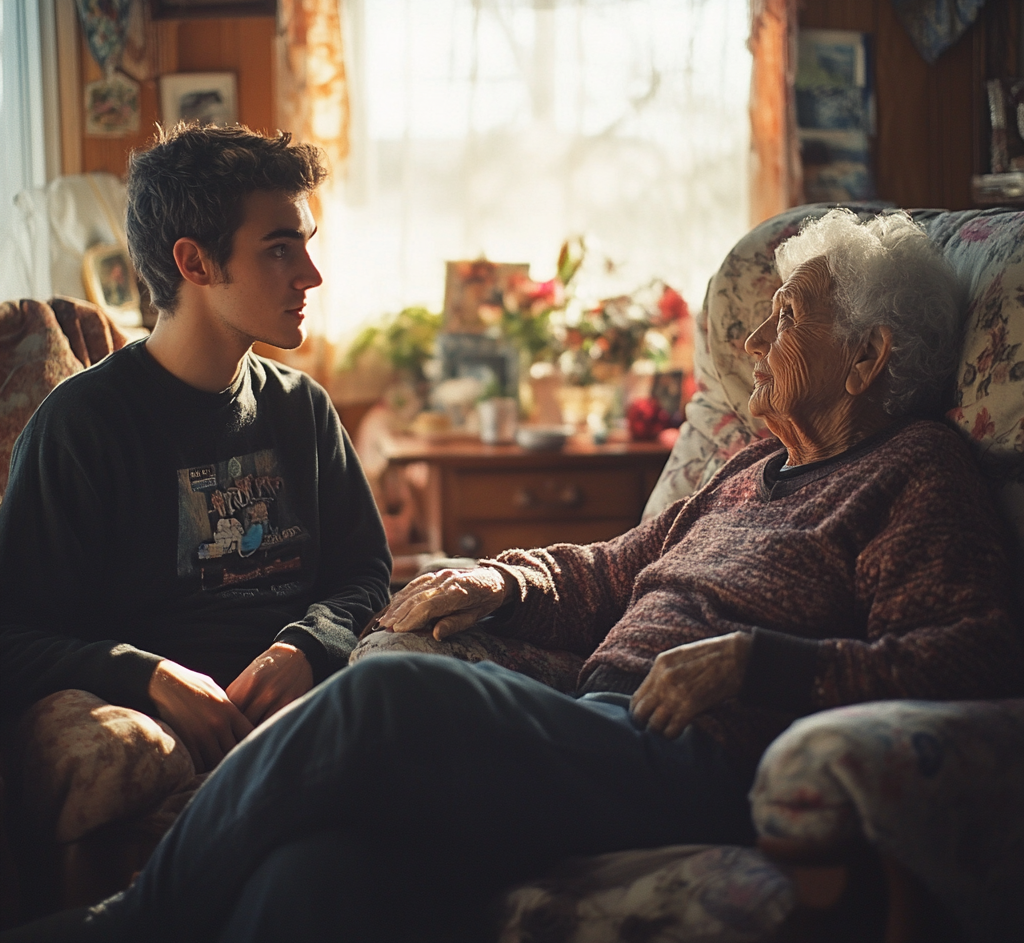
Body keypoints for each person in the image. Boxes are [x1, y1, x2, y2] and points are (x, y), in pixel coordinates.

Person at [5, 208, 1020, 943]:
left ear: (868, 357)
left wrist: (761, 660)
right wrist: (503, 583)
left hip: (697, 758)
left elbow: (972, 653)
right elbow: (613, 565)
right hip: (596, 719)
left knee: (387, 692)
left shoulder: (916, 471)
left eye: (788, 317)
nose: (753, 341)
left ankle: (133, 921)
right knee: (318, 871)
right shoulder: (758, 466)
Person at [0, 125, 391, 851]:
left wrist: (309, 645)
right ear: (194, 261)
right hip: (170, 733)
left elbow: (364, 572)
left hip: (313, 706)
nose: (310, 273)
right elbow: (12, 633)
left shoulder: (301, 407)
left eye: (306, 243)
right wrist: (144, 676)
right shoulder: (81, 426)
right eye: (280, 247)